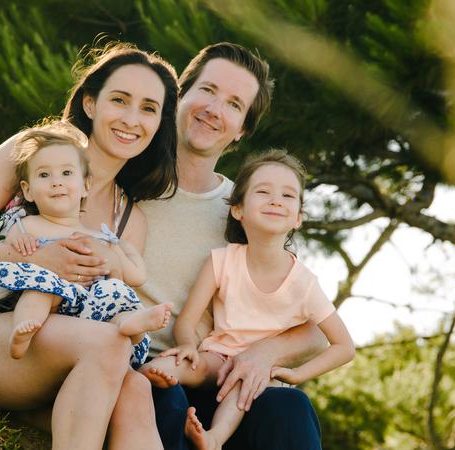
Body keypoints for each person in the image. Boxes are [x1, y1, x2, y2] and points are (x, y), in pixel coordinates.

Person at [0, 43, 178, 450]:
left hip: (56, 359)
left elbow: (109, 304)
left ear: (159, 123)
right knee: (106, 346)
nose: (130, 119)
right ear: (90, 102)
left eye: (148, 108)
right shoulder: (36, 152)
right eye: (119, 100)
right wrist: (32, 259)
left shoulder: (128, 219)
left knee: (136, 390)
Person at [136, 42, 329, 450]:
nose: (213, 109)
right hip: (141, 373)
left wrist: (263, 353)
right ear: (179, 97)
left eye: (234, 104)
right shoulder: (126, 185)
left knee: (289, 407)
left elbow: (312, 330)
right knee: (161, 397)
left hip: (216, 379)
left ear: (241, 128)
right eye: (206, 91)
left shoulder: (244, 212)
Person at [140, 150, 355, 449]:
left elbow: (344, 346)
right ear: (238, 209)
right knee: (176, 366)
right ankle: (137, 380)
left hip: (260, 375)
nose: (275, 199)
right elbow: (187, 319)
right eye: (263, 191)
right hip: (216, 357)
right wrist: (187, 345)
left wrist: (295, 374)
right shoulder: (222, 261)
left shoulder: (304, 283)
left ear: (298, 218)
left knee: (244, 388)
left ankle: (213, 438)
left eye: (288, 195)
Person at [0, 121, 172, 362]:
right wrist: (23, 245)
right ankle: (25, 327)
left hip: (87, 308)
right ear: (28, 191)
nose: (56, 181)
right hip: (53, 295)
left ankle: (129, 323)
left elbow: (137, 276)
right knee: (41, 288)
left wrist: (118, 255)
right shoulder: (27, 224)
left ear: (85, 186)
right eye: (44, 174)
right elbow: (9, 253)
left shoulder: (100, 238)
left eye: (67, 173)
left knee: (116, 293)